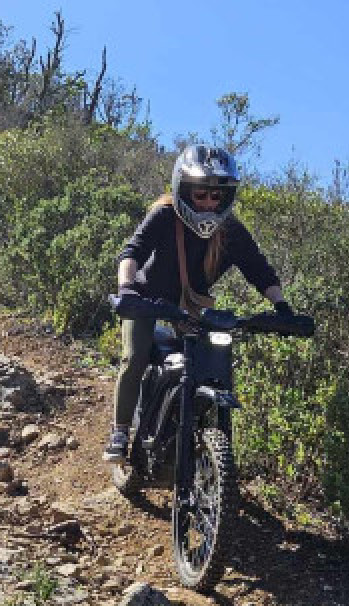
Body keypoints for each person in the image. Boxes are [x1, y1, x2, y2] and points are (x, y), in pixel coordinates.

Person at [103, 143, 295, 463]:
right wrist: (126, 290)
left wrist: (282, 308)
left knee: (208, 365)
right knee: (134, 356)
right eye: (200, 195)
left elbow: (259, 270)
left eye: (215, 196)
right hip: (146, 300)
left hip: (189, 309)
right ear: (183, 189)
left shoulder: (230, 229)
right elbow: (131, 253)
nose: (208, 203)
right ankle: (120, 432)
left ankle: (205, 449)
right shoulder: (165, 214)